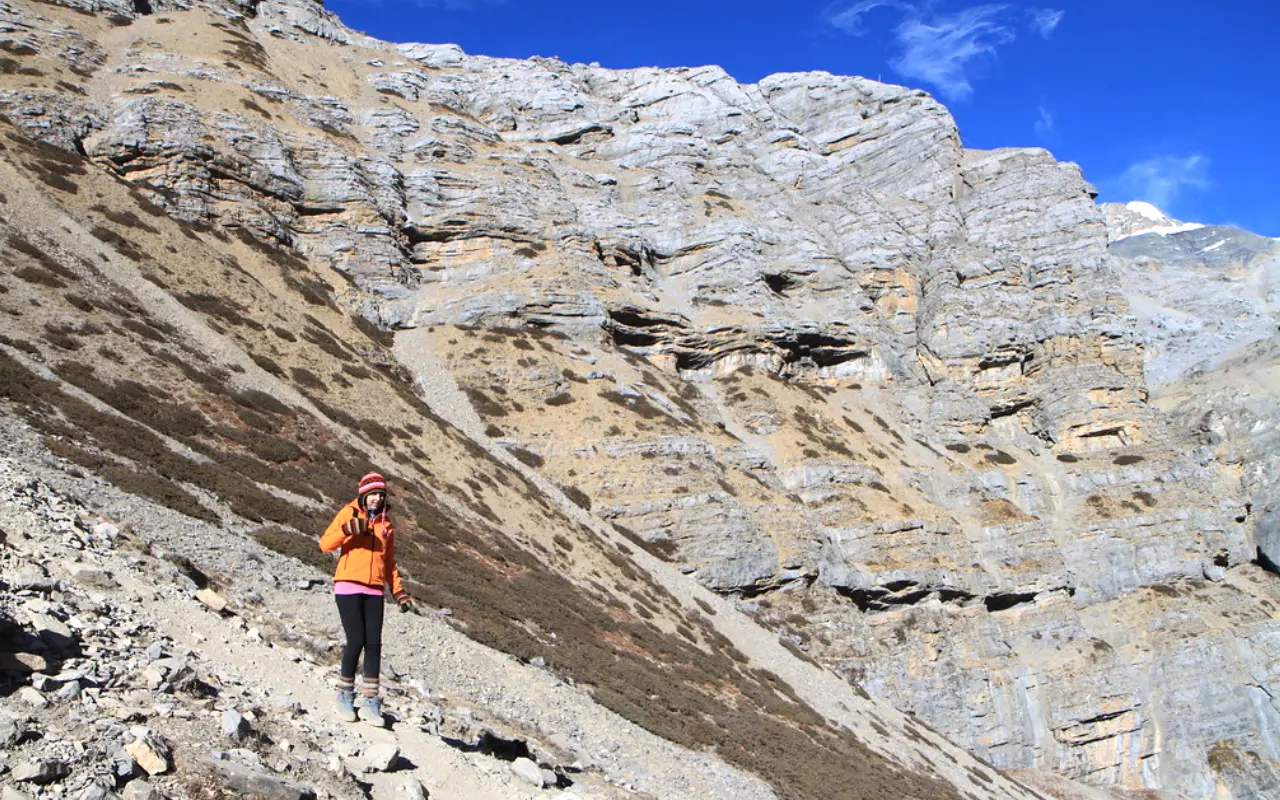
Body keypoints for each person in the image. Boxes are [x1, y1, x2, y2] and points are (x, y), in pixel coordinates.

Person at [319, 472, 411, 725]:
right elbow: (325, 544)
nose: (377, 499)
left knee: (374, 645)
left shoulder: (386, 525)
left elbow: (389, 562)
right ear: (364, 495)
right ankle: (344, 694)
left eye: (381, 495)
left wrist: (399, 592)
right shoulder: (348, 513)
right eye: (373, 494)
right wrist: (348, 530)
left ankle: (371, 702)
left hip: (374, 590)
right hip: (348, 584)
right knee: (356, 640)